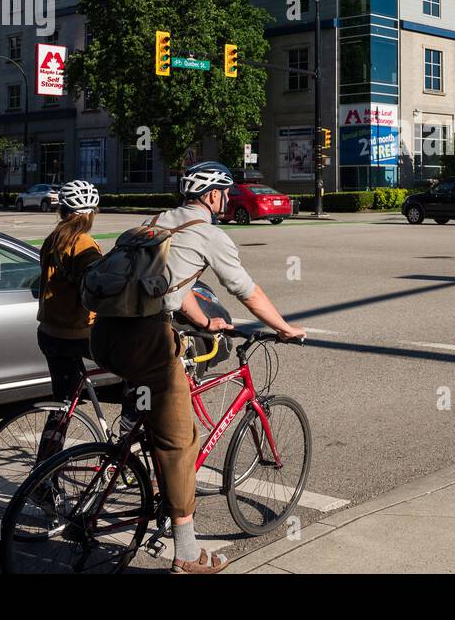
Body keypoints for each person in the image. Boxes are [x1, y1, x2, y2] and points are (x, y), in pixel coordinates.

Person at [90, 161, 304, 574]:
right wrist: (284, 328)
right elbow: (247, 291)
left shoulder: (153, 224)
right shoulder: (208, 234)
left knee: (151, 413)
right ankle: (187, 554)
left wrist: (206, 322)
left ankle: (143, 469)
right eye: (225, 192)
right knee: (181, 441)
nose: (228, 200)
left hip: (104, 337)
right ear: (211, 196)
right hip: (145, 339)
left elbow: (174, 285)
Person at [35, 180, 104, 462]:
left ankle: (44, 473)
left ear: (62, 210)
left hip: (50, 332)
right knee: (141, 374)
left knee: (62, 406)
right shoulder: (85, 245)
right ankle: (126, 442)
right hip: (79, 334)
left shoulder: (52, 240)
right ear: (90, 214)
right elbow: (98, 290)